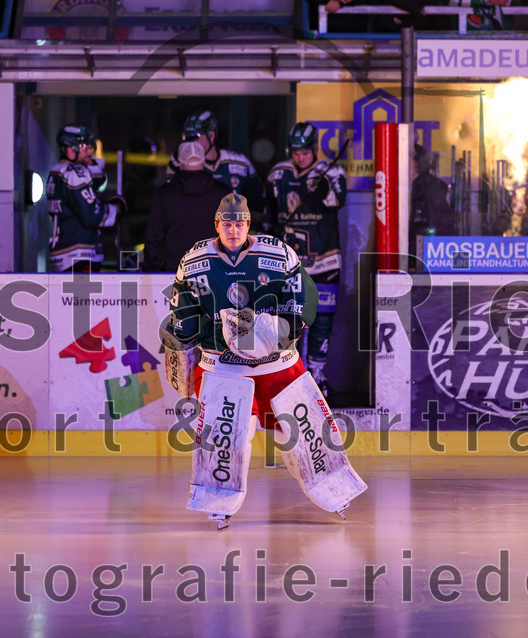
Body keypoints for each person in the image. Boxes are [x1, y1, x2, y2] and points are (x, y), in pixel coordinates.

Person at [161, 193, 366, 528]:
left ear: (248, 225)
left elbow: (301, 301)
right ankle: (217, 499)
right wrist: (180, 361)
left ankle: (334, 488)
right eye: (226, 224)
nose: (233, 230)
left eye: (239, 223)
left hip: (278, 363)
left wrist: (276, 333)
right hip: (221, 365)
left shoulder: (279, 253)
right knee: (226, 435)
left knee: (307, 428)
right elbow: (182, 318)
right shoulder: (194, 261)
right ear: (216, 225)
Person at [265, 122, 346, 396]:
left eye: (304, 152)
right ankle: (292, 375)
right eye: (295, 152)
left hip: (325, 259)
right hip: (289, 263)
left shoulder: (331, 170)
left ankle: (318, 375)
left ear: (315, 149)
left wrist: (324, 189)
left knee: (322, 319)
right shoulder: (278, 173)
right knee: (290, 320)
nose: (299, 157)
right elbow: (268, 210)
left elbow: (339, 199)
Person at [143, 141, 231, 273]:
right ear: (203, 162)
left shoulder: (164, 195)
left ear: (180, 164)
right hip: (213, 272)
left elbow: (154, 239)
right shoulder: (222, 193)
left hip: (173, 273)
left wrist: (150, 270)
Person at [45, 124, 122, 273]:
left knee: (67, 297)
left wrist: (92, 166)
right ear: (70, 149)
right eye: (85, 148)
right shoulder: (75, 173)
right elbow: (92, 214)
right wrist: (116, 208)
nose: (90, 153)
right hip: (78, 252)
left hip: (63, 250)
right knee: (81, 297)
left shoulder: (56, 171)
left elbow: (96, 182)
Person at [167, 110, 265, 223]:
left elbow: (259, 205)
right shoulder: (179, 163)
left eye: (197, 137)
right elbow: (171, 205)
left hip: (231, 235)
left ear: (211, 136)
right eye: (187, 139)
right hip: (196, 233)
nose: (191, 144)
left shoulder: (240, 163)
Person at [409, 144, 454, 263]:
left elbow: (442, 230)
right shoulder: (402, 190)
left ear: (416, 164)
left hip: (425, 262)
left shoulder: (431, 192)